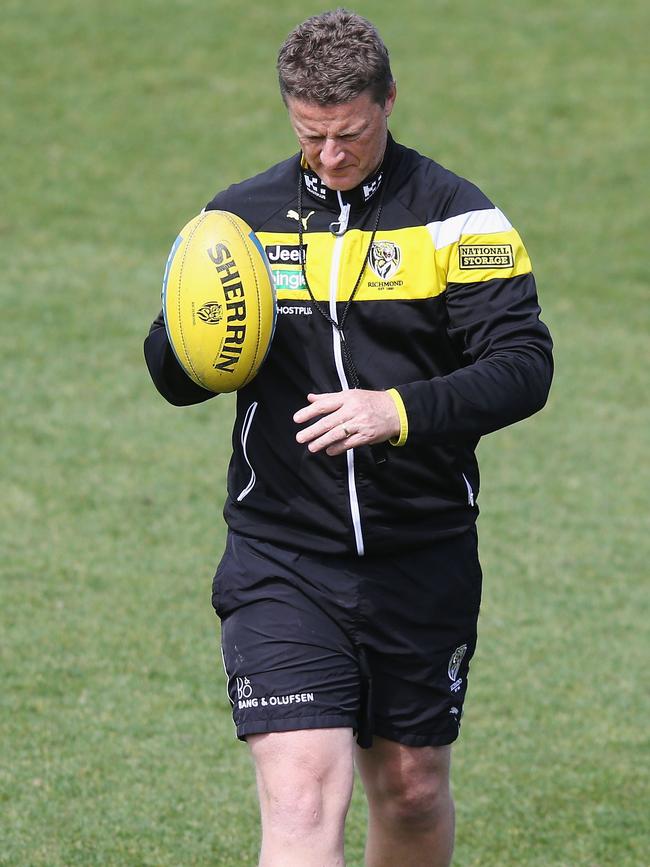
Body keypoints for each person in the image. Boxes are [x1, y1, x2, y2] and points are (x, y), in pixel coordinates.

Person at [144, 9, 553, 866]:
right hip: (281, 555)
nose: (331, 156)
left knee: (409, 788)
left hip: (422, 551)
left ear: (389, 101)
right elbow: (172, 368)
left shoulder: (458, 220)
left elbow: (524, 365)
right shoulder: (239, 220)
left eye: (351, 135)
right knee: (300, 795)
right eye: (311, 135)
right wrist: (197, 343)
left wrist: (395, 410)